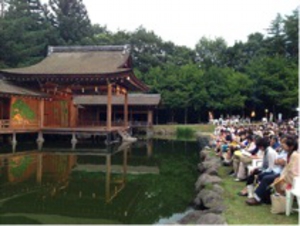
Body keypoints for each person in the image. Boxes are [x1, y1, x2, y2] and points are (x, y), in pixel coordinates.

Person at [245, 136, 292, 205]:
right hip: (277, 170)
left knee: (264, 177)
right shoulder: (282, 151)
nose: (282, 145)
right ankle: (255, 195)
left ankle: (257, 198)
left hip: (280, 172)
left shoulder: (272, 152)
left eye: (284, 144)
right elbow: (276, 162)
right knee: (257, 174)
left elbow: (276, 165)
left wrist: (280, 162)